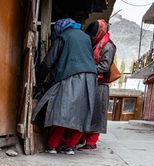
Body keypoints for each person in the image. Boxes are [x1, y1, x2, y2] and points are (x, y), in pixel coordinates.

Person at [32, 18, 99, 155]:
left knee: (59, 111)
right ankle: (69, 146)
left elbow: (48, 62)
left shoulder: (62, 37)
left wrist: (39, 80)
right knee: (80, 113)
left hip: (71, 76)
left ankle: (52, 145)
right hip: (90, 79)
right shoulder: (86, 38)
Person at [77, 19, 117, 152]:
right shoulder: (97, 44)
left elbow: (104, 67)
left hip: (100, 85)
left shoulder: (108, 46)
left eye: (93, 35)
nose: (92, 38)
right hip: (92, 82)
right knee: (89, 111)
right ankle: (85, 138)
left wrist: (87, 67)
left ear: (99, 32)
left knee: (97, 113)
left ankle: (92, 142)